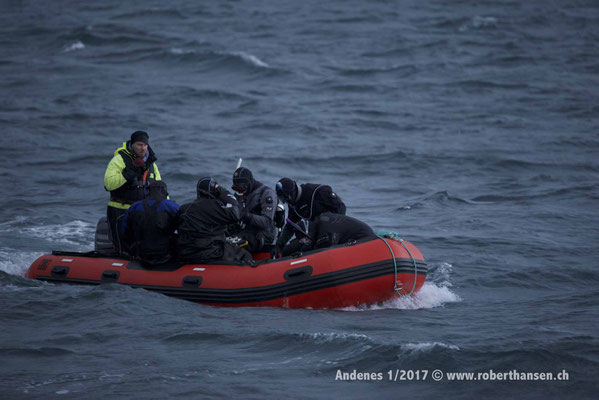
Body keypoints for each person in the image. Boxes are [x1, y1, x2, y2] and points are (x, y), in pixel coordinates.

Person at [104, 131, 163, 253]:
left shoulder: (151, 163)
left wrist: (165, 207)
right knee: (123, 249)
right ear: (132, 144)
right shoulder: (119, 159)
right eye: (139, 145)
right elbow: (108, 184)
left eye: (145, 145)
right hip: (120, 211)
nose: (143, 148)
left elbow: (159, 188)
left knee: (142, 249)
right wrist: (128, 173)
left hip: (143, 212)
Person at [176, 177, 253, 264]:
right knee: (245, 255)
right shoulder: (214, 206)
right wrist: (225, 193)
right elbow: (235, 214)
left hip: (186, 252)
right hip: (209, 253)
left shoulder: (184, 208)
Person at [274, 177, 346, 253]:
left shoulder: (318, 192)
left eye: (286, 198)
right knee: (287, 250)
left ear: (293, 192)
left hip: (330, 231)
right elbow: (290, 226)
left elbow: (341, 207)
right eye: (282, 199)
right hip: (313, 235)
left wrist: (335, 233)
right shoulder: (293, 204)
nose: (285, 201)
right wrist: (279, 245)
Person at [121, 181, 180, 265]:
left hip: (141, 253)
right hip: (165, 254)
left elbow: (124, 232)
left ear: (147, 191)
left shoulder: (134, 207)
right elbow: (184, 228)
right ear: (164, 191)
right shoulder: (172, 206)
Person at [281, 212, 375, 256]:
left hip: (364, 240)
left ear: (307, 232)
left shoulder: (325, 231)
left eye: (304, 239)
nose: (303, 241)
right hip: (356, 239)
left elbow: (324, 251)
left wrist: (305, 251)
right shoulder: (320, 223)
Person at [230, 167, 277, 252]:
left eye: (241, 188)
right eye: (236, 189)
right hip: (244, 231)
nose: (240, 191)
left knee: (235, 248)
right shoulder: (239, 195)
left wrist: (247, 216)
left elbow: (267, 222)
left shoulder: (266, 193)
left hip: (262, 233)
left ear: (249, 183)